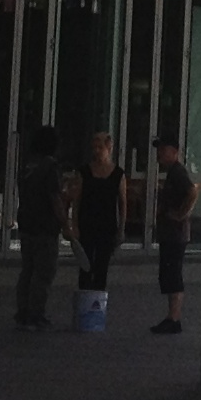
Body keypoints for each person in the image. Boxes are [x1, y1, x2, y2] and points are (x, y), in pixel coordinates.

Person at [14, 123, 64, 328]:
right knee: (43, 272)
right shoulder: (50, 167)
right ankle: (36, 314)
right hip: (45, 226)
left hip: (27, 223)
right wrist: (65, 223)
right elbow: (55, 198)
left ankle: (23, 311)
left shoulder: (28, 166)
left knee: (27, 269)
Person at [149, 132, 195, 334]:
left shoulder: (177, 172)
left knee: (173, 273)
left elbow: (192, 192)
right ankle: (171, 317)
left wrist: (180, 214)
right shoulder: (172, 173)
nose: (159, 153)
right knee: (169, 273)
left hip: (175, 234)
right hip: (171, 232)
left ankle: (174, 318)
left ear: (175, 152)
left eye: (164, 149)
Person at [73, 131, 123, 310]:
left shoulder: (118, 174)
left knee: (102, 266)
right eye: (94, 147)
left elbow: (122, 203)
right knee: (85, 266)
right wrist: (74, 225)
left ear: (109, 148)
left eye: (100, 147)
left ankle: (97, 307)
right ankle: (84, 305)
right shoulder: (84, 172)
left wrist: (121, 228)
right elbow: (77, 200)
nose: (96, 151)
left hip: (107, 225)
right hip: (87, 223)